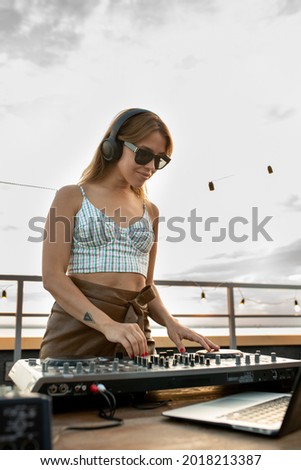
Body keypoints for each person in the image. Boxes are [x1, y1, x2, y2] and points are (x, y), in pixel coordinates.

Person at [40, 108, 220, 360]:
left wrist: (170, 322)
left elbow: (146, 285)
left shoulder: (152, 212)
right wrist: (107, 325)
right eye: (144, 154)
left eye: (160, 160)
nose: (150, 167)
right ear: (112, 146)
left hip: (135, 334)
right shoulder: (71, 196)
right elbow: (53, 278)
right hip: (76, 331)